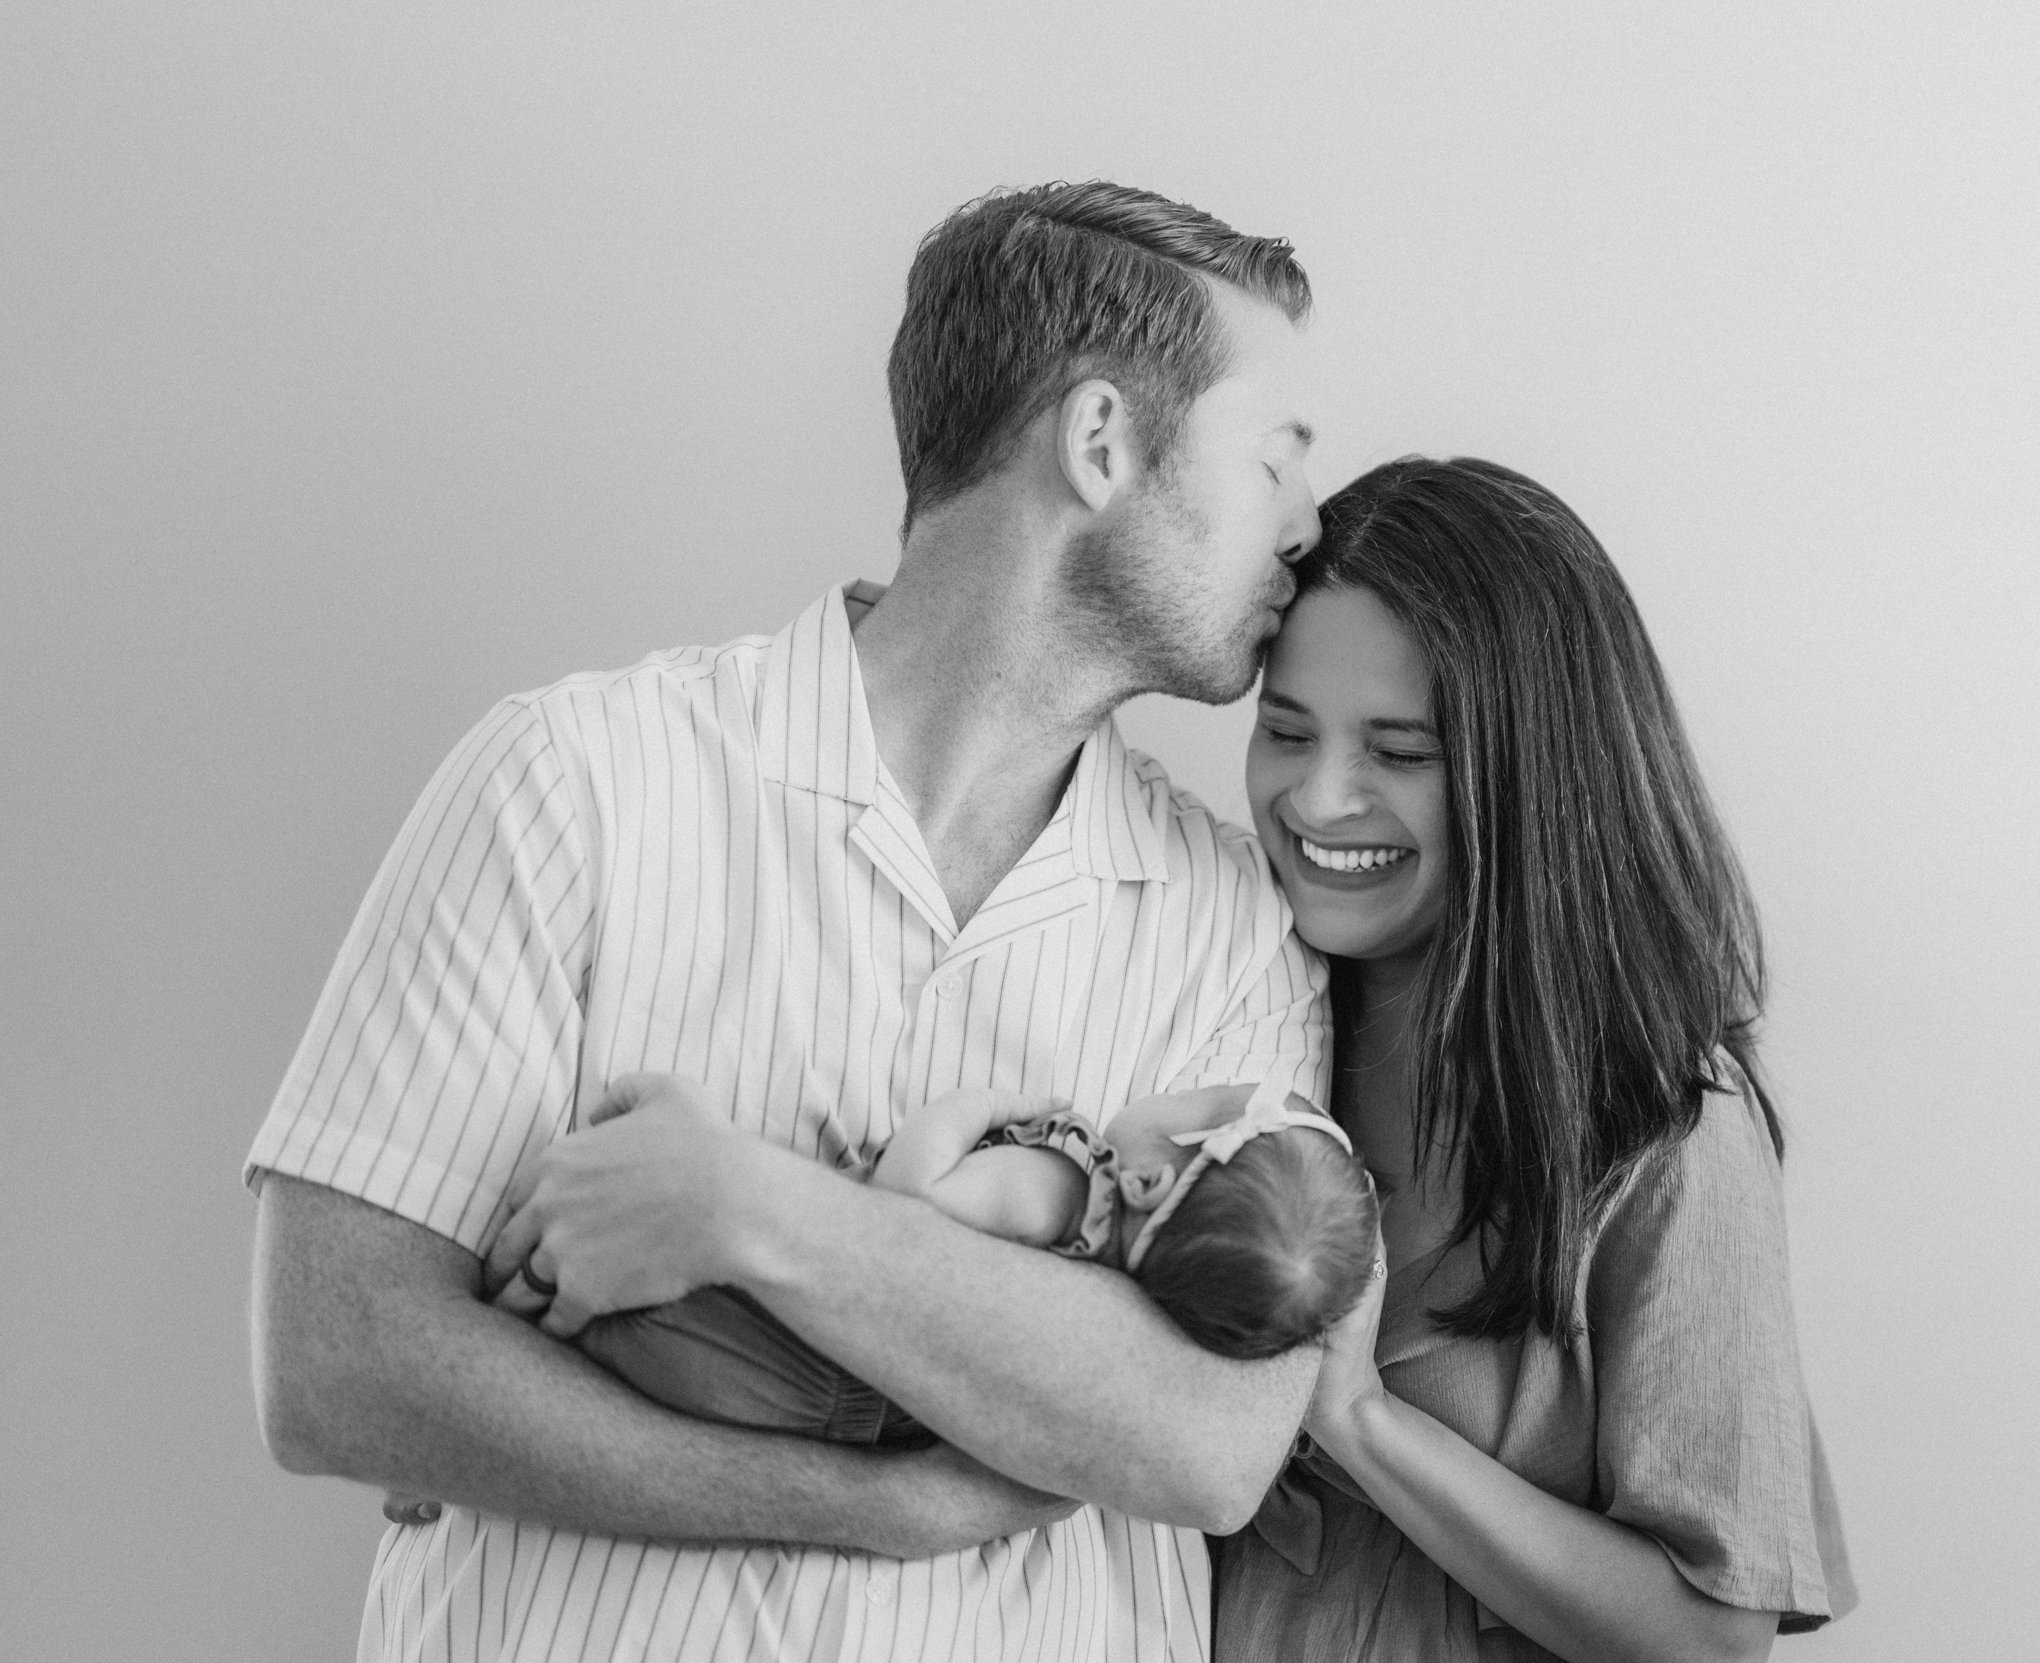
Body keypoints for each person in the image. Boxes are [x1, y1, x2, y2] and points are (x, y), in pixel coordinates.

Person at [246, 180, 1332, 1663]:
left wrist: (743, 1205)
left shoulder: (1230, 928)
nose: (1310, 527)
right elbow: (340, 1359)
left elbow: (1209, 1441)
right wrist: (857, 1498)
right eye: (1274, 463)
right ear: (1101, 443)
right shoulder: (570, 784)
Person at [1215, 457, 1857, 1661]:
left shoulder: (1666, 1128)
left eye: (1398, 752)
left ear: (1532, 777)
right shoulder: (1232, 1030)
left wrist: (1357, 1421)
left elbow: (1712, 1637)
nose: (1316, 797)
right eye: (1285, 730)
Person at [484, 1071, 1375, 1449]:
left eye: (1212, 1094)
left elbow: (907, 1213)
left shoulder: (1057, 1189)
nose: (1192, 1080)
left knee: (589, 1329)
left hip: (790, 1348)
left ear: (1144, 1180)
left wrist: (974, 1104)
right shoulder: (1128, 1307)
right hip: (853, 1403)